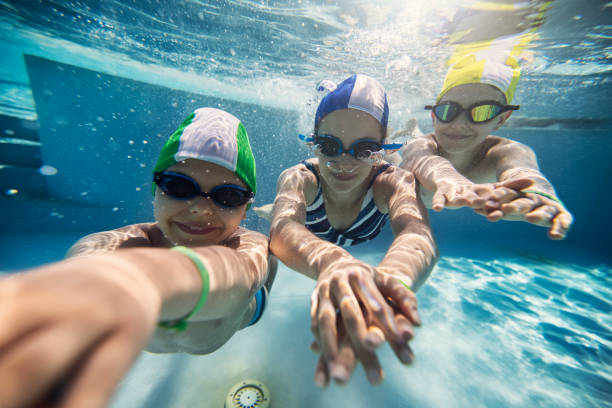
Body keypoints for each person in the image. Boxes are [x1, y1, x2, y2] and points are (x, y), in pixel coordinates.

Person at [0, 108, 276, 408]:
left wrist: (146, 280)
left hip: (248, 311)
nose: (200, 209)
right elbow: (89, 265)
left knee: (274, 253)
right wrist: (112, 282)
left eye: (229, 196)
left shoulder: (248, 244)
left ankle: (266, 211)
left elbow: (241, 275)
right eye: (179, 186)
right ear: (155, 189)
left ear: (243, 209)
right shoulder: (116, 244)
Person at [261, 74, 438, 386]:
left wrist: (390, 282)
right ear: (313, 141)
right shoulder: (299, 178)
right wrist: (333, 262)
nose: (343, 161)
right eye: (329, 146)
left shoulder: (392, 182)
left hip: (365, 209)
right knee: (273, 214)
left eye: (365, 149)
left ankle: (405, 134)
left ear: (379, 148)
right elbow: (284, 229)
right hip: (323, 229)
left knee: (407, 169)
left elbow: (416, 232)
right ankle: (266, 208)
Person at [399, 54, 573, 240]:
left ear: (500, 119)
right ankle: (408, 129)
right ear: (434, 116)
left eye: (482, 112)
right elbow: (423, 159)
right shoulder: (422, 146)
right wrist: (449, 179)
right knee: (407, 141)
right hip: (408, 152)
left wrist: (537, 191)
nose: (459, 124)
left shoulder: (507, 151)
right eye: (448, 110)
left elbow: (523, 172)